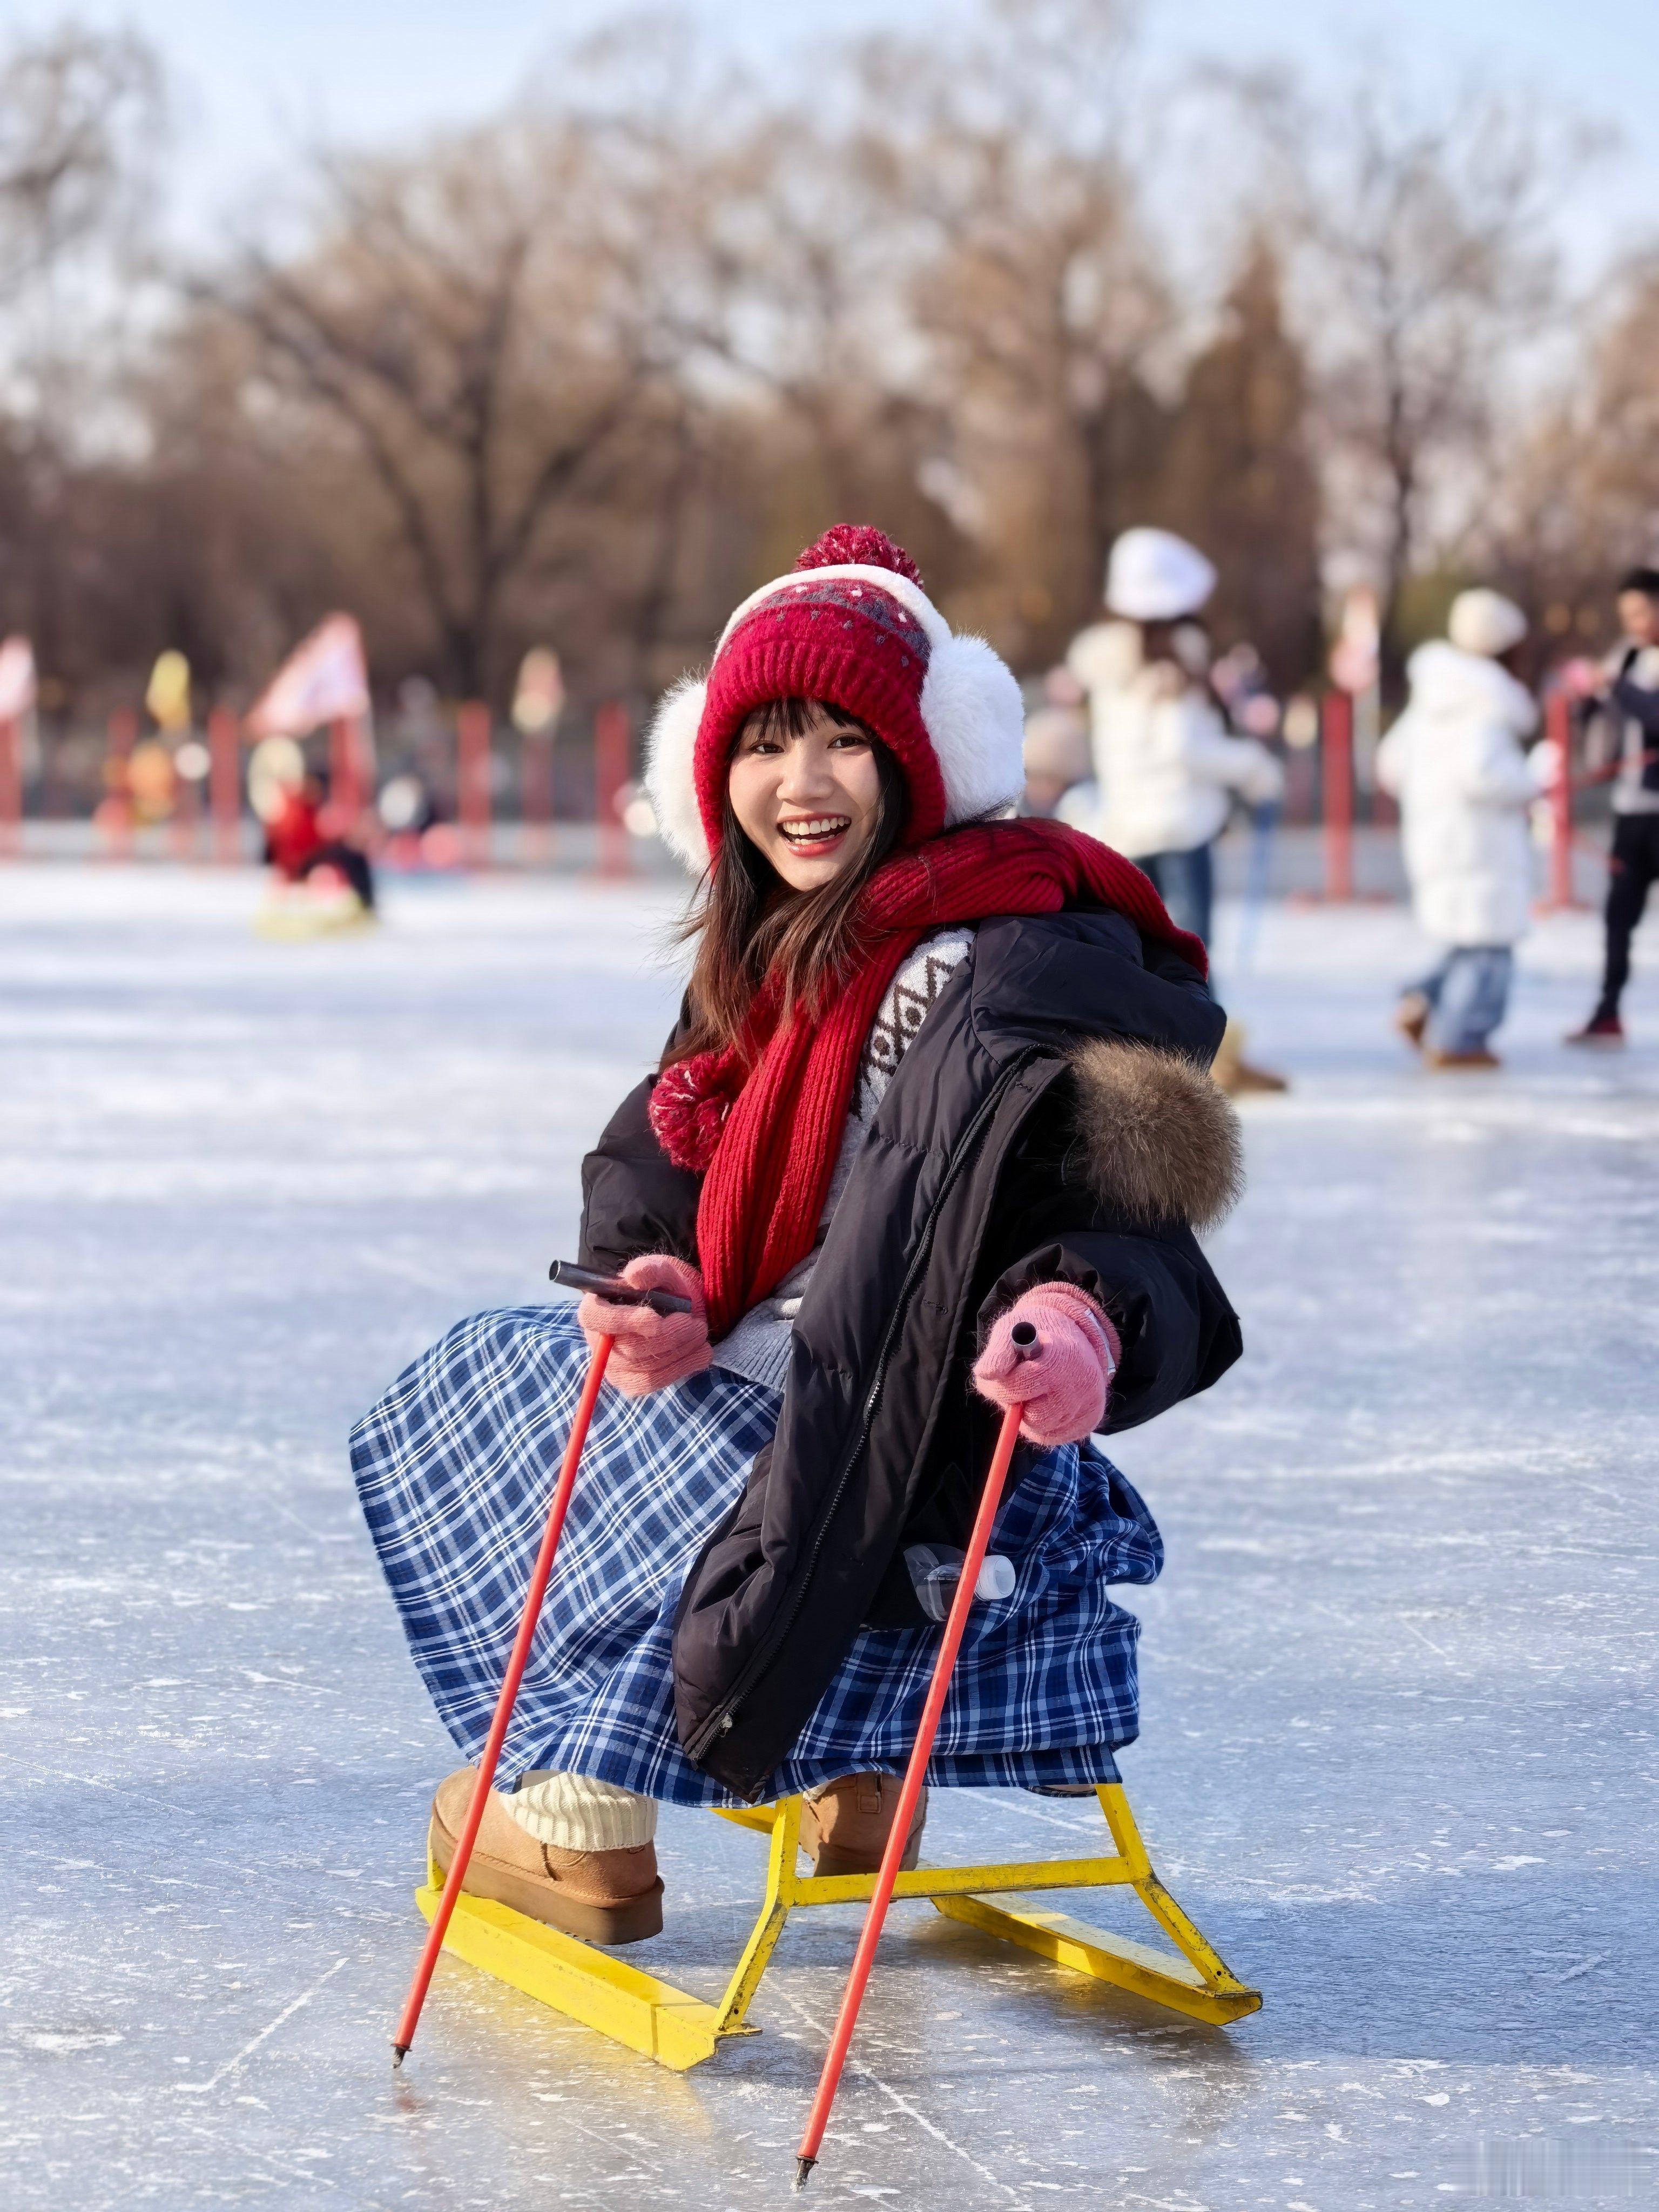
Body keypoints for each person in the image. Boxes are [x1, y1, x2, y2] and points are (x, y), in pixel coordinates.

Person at [351, 524, 1245, 1945]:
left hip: (937, 1445)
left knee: (579, 1408)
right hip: (814, 1374)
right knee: (519, 1359)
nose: (802, 784)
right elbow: (659, 1142)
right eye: (766, 745)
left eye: (845, 739)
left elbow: (1131, 1214)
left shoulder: (1013, 962)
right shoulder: (785, 945)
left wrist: (1081, 1318)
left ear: (923, 757)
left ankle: (582, 1824)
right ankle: (854, 1768)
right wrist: (665, 1272)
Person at [1067, 528, 1286, 1092]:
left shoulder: (1109, 667)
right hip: (1181, 824)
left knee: (1152, 956)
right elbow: (1184, 747)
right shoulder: (1173, 665)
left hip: (1128, 830)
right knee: (1191, 955)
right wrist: (1255, 768)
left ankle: (1168, 1060)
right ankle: (1208, 1062)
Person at [1376, 590, 1554, 1070]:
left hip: (1434, 841)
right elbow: (1485, 774)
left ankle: (1422, 1002)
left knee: (1466, 942)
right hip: (1482, 846)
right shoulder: (1485, 706)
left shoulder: (1429, 702)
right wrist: (1532, 781)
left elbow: (1390, 765)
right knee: (1491, 950)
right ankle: (1460, 1040)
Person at [1565, 565, 1659, 1047]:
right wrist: (1586, 699)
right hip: (1630, 807)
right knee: (1619, 915)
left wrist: (1616, 687)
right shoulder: (1624, 658)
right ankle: (1608, 1012)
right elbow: (1601, 718)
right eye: (1628, 615)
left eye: (1643, 611)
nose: (1636, 623)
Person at [264, 772, 376, 913]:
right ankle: (365, 904)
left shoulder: (312, 810)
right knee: (351, 857)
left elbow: (321, 837)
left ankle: (365, 903)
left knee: (355, 857)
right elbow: (287, 848)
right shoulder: (296, 812)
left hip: (315, 856)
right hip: (304, 862)